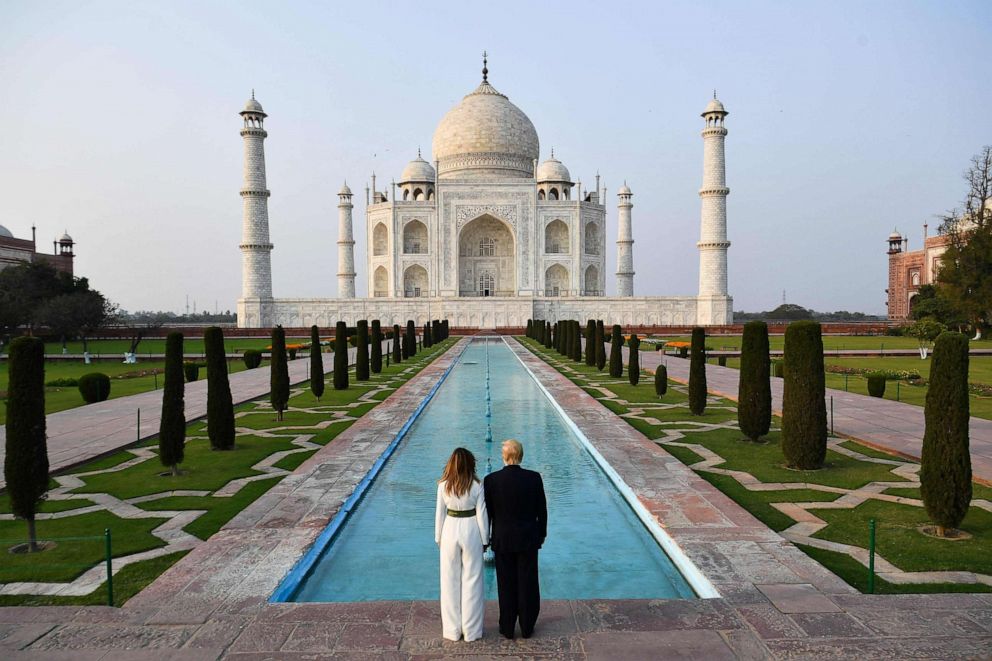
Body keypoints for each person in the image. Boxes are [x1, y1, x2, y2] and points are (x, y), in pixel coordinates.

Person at [484, 439, 547, 639]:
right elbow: (542, 511)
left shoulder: (492, 480)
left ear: (504, 456)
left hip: (503, 538)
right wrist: (542, 534)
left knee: (506, 583)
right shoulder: (534, 478)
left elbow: (489, 513)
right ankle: (527, 626)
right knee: (528, 582)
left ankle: (508, 626)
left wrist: (487, 538)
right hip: (528, 537)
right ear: (521, 455)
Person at [435, 447, 490, 642]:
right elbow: (482, 514)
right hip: (471, 530)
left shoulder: (443, 485)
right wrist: (485, 540)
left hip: (450, 530)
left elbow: (439, 513)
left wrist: (438, 538)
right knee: (473, 580)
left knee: (449, 581)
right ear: (470, 464)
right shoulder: (477, 485)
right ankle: (472, 631)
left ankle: (452, 630)